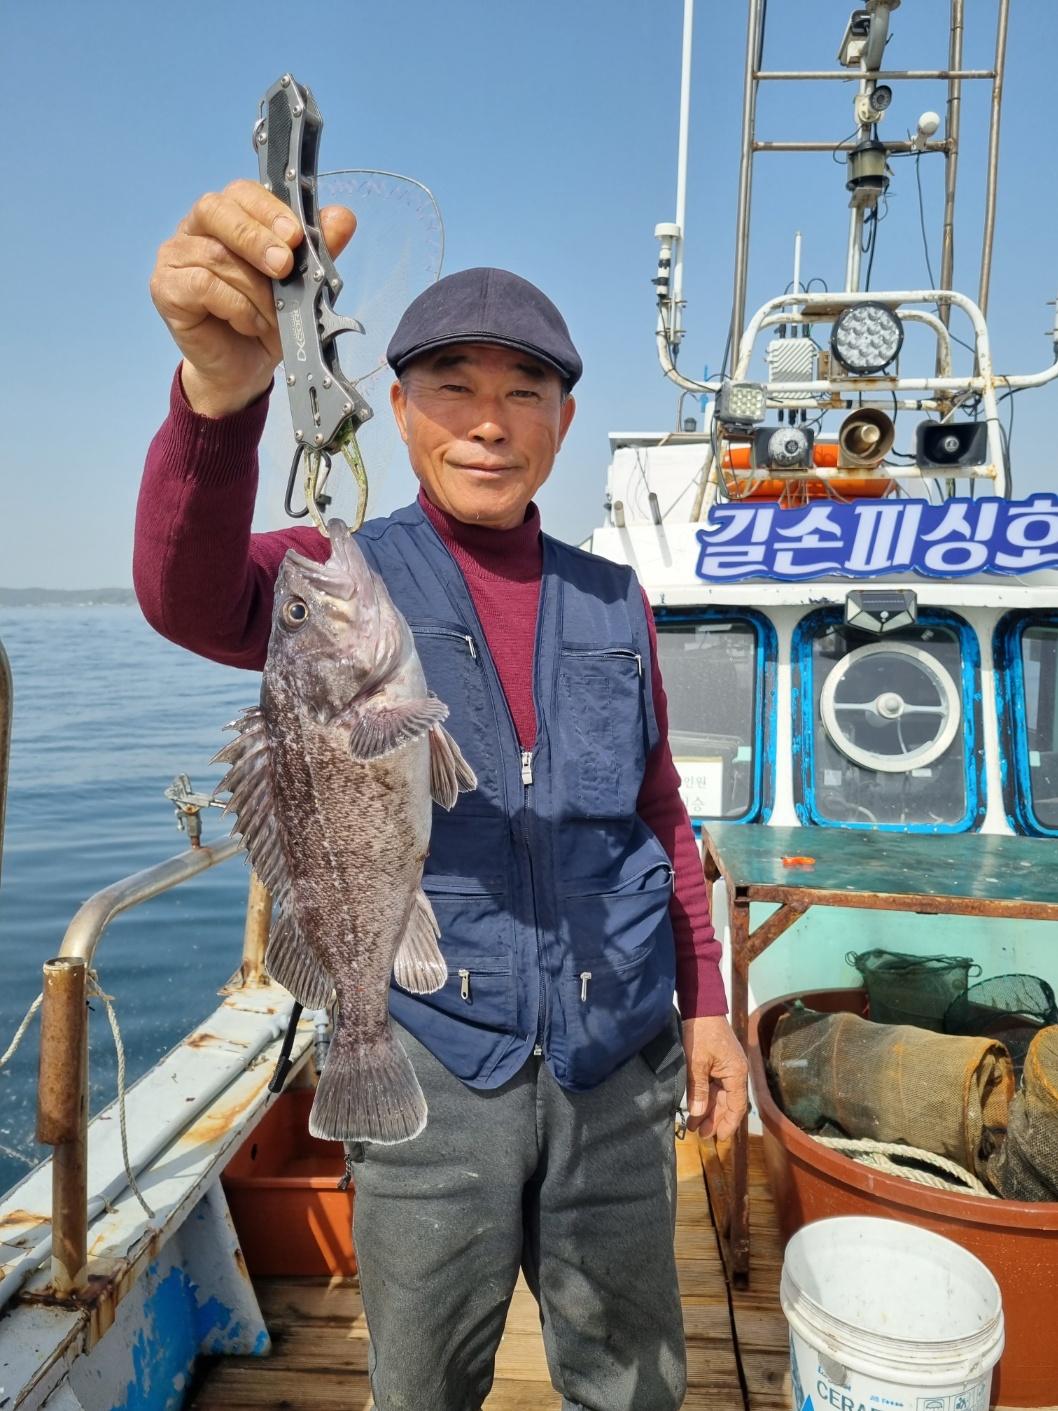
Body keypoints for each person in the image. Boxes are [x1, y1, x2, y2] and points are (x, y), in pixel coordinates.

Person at [138, 178, 749, 1411]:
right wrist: (218, 398)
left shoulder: (614, 598)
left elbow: (659, 819)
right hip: (431, 1055)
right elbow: (184, 592)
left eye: (522, 390)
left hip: (616, 1064)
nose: (487, 421)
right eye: (450, 389)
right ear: (399, 412)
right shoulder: (332, 573)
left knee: (633, 1379)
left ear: (563, 422)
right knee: (420, 1383)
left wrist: (706, 1006)